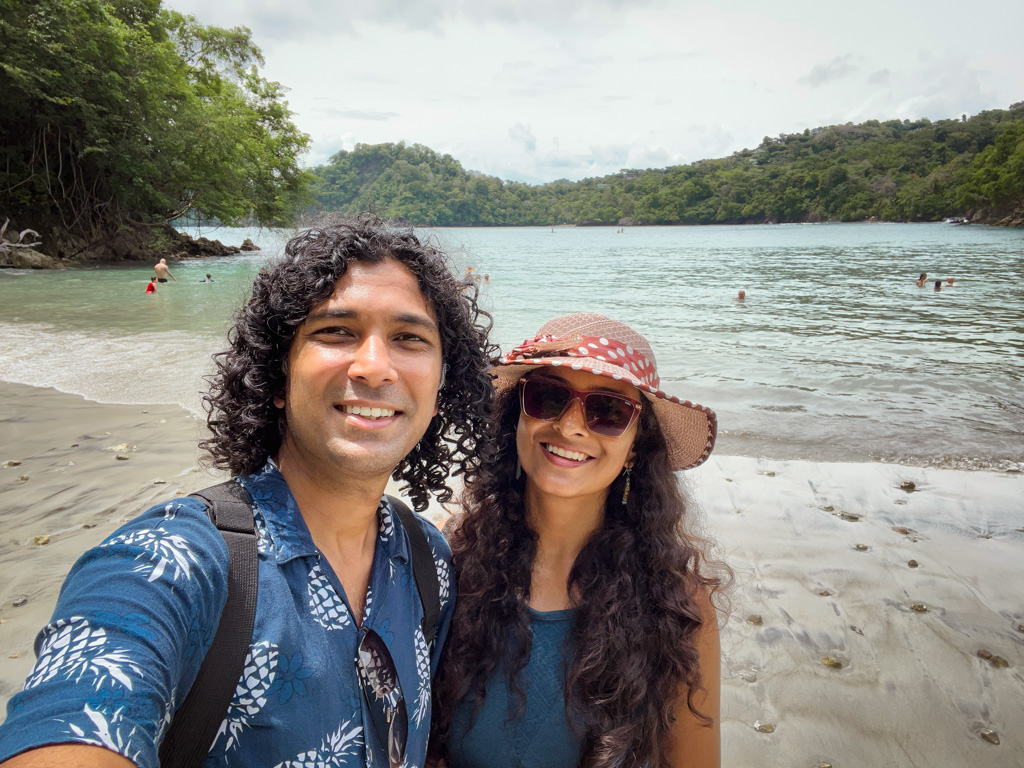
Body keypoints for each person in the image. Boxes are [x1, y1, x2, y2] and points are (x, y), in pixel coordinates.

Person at [0, 216, 498, 768]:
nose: (376, 367)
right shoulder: (176, 561)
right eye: (336, 331)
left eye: (409, 338)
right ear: (277, 374)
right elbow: (77, 708)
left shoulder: (426, 558)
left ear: (440, 386)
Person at [431, 314, 729, 768]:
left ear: (635, 446)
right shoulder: (448, 564)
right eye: (549, 397)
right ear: (517, 418)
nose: (570, 426)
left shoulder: (679, 605)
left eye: (608, 411)